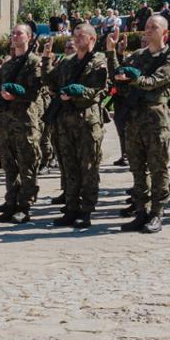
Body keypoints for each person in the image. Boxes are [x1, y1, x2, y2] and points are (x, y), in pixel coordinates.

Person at [115, 16, 170, 233]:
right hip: (135, 120)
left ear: (165, 32)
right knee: (137, 168)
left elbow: (153, 82)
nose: (149, 31)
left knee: (157, 168)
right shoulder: (137, 56)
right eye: (147, 27)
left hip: (155, 120)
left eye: (154, 27)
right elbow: (118, 76)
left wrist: (133, 78)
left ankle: (157, 213)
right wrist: (112, 53)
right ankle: (141, 211)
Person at [45, 24, 109, 228]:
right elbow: (50, 81)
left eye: (81, 36)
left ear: (92, 38)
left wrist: (75, 93)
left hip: (87, 121)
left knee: (88, 167)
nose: (76, 39)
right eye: (74, 35)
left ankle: (87, 210)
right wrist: (46, 60)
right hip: (65, 121)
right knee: (69, 167)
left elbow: (98, 91)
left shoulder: (98, 61)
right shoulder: (67, 62)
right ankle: (71, 208)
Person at [0, 24, 46, 224]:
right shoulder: (8, 64)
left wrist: (15, 94)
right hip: (6, 122)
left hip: (24, 121)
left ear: (29, 37)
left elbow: (34, 92)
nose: (15, 36)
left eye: (19, 33)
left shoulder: (34, 62)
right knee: (9, 164)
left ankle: (25, 205)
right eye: (13, 33)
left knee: (27, 164)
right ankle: (11, 202)